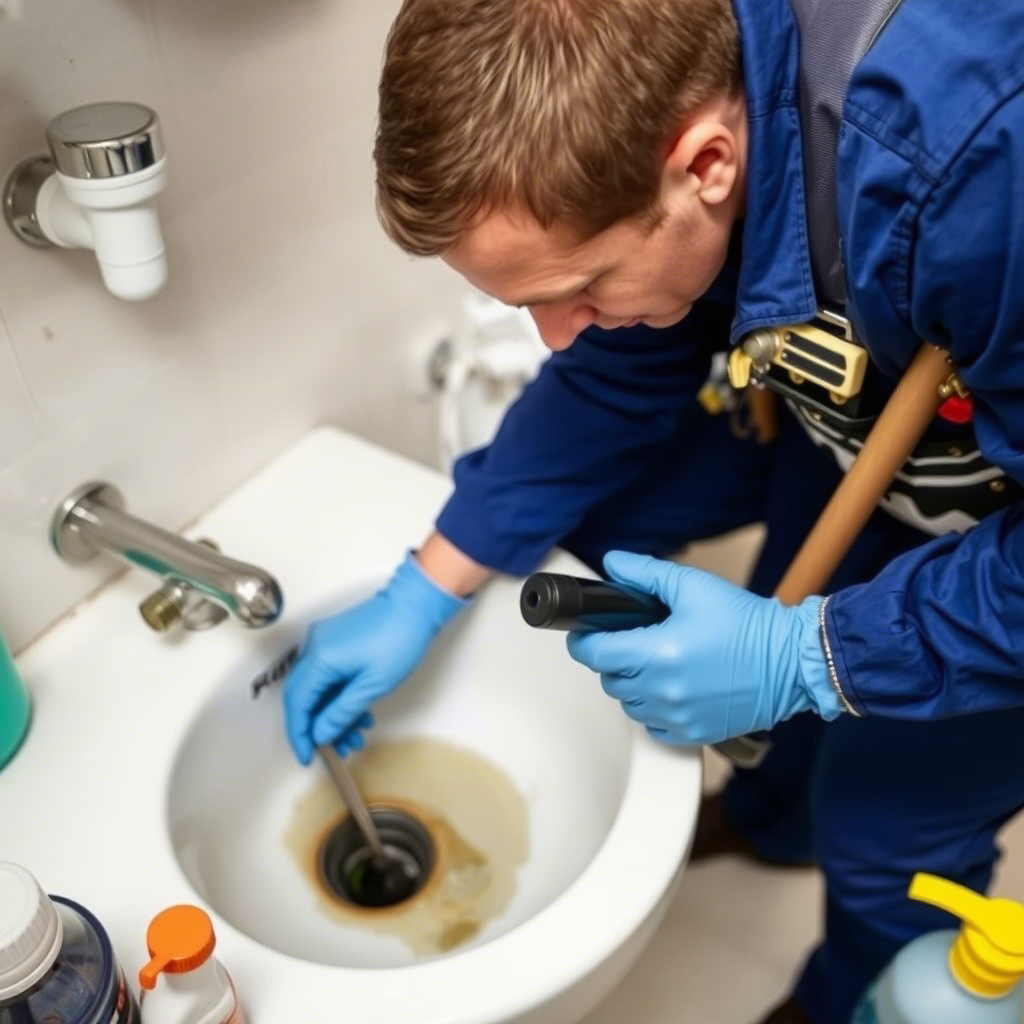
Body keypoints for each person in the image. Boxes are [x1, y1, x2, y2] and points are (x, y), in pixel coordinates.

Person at [282, 0, 1024, 1021]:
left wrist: (814, 653)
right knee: (772, 618)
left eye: (581, 287)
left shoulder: (975, 170)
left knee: (886, 826)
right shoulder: (660, 85)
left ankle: (845, 994)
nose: (554, 336)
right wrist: (425, 584)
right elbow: (612, 371)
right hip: (870, 422)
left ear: (707, 165)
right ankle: (771, 819)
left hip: (1001, 521)